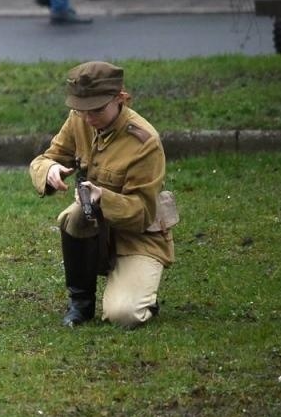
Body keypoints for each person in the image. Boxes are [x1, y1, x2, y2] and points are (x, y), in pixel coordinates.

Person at [28, 61, 173, 328]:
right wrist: (50, 170)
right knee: (73, 216)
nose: (88, 118)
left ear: (120, 99)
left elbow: (143, 212)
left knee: (123, 315)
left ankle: (141, 297)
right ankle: (80, 304)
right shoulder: (79, 119)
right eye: (81, 109)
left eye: (96, 110)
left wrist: (102, 198)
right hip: (95, 227)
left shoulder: (145, 142)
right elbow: (45, 158)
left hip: (138, 236)